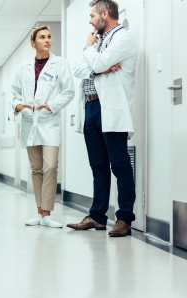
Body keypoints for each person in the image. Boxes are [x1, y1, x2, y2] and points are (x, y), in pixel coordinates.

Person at [66, 0, 138, 237]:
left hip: (111, 109)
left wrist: (91, 54)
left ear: (105, 14)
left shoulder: (122, 38)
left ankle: (124, 219)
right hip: (91, 108)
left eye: (92, 15)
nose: (89, 20)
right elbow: (78, 69)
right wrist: (98, 66)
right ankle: (97, 217)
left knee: (119, 164)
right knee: (98, 165)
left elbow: (97, 61)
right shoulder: (99, 41)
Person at [11, 26, 75, 228]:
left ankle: (47, 213)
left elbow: (69, 91)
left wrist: (52, 105)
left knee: (50, 166)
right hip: (30, 123)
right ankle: (39, 213)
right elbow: (15, 93)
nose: (47, 40)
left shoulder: (61, 64)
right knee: (36, 169)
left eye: (49, 36)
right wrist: (18, 106)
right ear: (33, 43)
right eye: (42, 37)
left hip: (50, 122)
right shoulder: (24, 68)